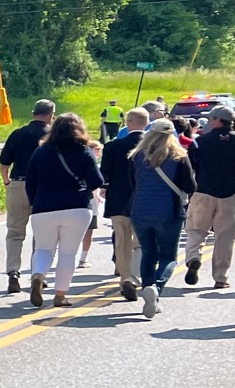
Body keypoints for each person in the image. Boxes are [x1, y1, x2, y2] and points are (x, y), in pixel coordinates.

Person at [22, 112, 104, 309]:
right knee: (68, 253)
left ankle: (38, 274)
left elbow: (30, 182)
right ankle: (60, 295)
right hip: (77, 207)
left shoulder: (40, 152)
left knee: (43, 249)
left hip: (44, 207)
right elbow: (97, 181)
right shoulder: (84, 151)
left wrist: (36, 203)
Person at [131, 119, 196, 318]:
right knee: (168, 256)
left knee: (148, 252)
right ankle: (156, 288)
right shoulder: (179, 156)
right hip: (169, 211)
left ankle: (148, 288)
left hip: (140, 210)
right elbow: (190, 186)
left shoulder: (138, 156)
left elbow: (132, 182)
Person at [0, 98, 55, 292]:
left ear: (33, 113)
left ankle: (13, 271)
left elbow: (4, 163)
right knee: (42, 234)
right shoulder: (53, 136)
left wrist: (7, 182)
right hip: (44, 188)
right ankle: (38, 273)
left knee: (15, 232)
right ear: (51, 115)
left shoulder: (18, 134)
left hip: (18, 183)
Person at [99, 109, 150, 300]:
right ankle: (135, 276)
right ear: (146, 123)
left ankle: (124, 278)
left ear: (128, 123)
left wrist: (105, 187)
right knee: (142, 242)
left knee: (122, 242)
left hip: (118, 200)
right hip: (145, 200)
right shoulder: (152, 146)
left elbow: (105, 173)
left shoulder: (113, 146)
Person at [184, 104, 235, 288]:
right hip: (230, 195)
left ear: (218, 120)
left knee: (196, 230)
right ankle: (220, 277)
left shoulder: (200, 142)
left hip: (203, 191)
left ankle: (193, 258)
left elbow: (191, 167)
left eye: (211, 118)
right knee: (225, 237)